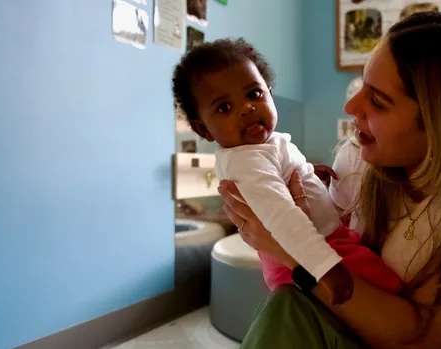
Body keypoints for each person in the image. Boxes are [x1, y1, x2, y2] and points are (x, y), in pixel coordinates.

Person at [218, 11, 441, 349]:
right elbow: (339, 245)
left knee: (289, 307)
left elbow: (416, 340)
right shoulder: (357, 163)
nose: (351, 106)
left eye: (379, 102)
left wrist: (288, 251)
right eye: (361, 85)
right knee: (288, 307)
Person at [171, 38, 402, 293]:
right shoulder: (246, 161)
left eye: (254, 94)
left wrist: (308, 174)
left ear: (270, 93)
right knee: (388, 287)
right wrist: (325, 268)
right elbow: (283, 218)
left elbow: (280, 181)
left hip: (321, 244)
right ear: (203, 129)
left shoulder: (262, 147)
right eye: (224, 107)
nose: (246, 108)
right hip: (312, 252)